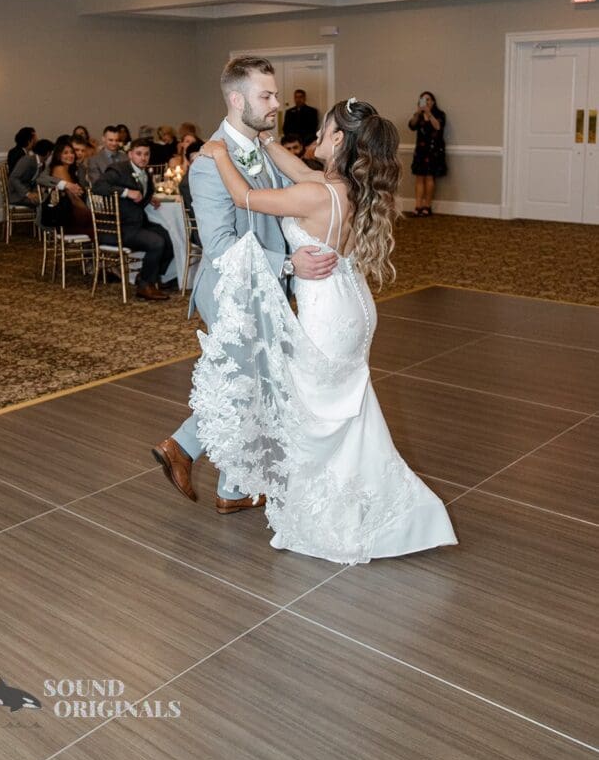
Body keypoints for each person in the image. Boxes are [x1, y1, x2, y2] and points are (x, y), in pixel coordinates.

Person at [194, 97, 457, 564]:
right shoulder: (342, 186)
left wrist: (217, 155)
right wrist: (264, 142)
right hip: (352, 306)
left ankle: (332, 513)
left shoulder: (318, 193)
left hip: (326, 316)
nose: (315, 135)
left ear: (338, 140)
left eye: (324, 130)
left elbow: (244, 198)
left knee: (313, 417)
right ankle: (377, 499)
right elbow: (297, 169)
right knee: (345, 415)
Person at [151, 55, 337, 514]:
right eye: (266, 96)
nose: (276, 104)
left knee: (253, 385)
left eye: (275, 94)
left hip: (265, 285)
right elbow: (219, 247)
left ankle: (220, 478)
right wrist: (288, 265)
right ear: (237, 99)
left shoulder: (261, 147)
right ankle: (195, 458)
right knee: (252, 383)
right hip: (229, 290)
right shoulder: (209, 163)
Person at [93, 138, 173, 301]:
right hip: (119, 227)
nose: (143, 158)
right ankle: (145, 285)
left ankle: (148, 277)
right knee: (156, 242)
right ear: (130, 154)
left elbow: (141, 193)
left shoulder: (144, 172)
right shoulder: (118, 169)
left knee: (167, 236)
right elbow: (98, 187)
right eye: (139, 154)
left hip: (137, 223)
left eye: (146, 154)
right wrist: (126, 192)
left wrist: (149, 197)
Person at [408, 91, 447, 216]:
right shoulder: (418, 115)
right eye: (423, 99)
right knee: (419, 177)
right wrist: (419, 112)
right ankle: (418, 205)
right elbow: (412, 125)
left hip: (434, 150)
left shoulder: (439, 115)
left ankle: (427, 206)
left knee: (430, 177)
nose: (426, 102)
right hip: (420, 150)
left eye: (428, 99)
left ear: (433, 102)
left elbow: (438, 127)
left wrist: (429, 114)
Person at [48, 137, 92, 237]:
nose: (71, 155)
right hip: (65, 215)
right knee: (98, 222)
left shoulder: (73, 169)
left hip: (72, 211)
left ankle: (92, 250)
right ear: (59, 155)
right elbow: (73, 198)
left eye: (72, 152)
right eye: (66, 153)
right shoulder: (59, 169)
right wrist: (88, 212)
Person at [8, 138, 54, 206]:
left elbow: (35, 180)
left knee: (50, 199)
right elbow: (13, 178)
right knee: (44, 202)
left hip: (29, 191)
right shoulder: (27, 160)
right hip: (17, 194)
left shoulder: (41, 164)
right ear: (48, 153)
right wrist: (28, 194)